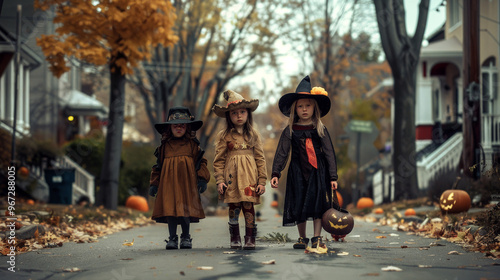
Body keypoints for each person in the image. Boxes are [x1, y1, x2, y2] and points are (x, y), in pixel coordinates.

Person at [270, 76, 339, 249]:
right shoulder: (291, 130)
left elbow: (329, 152)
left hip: (318, 171)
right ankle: (302, 237)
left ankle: (317, 237)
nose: (304, 109)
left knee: (317, 203)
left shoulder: (320, 128)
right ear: (295, 109)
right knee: (299, 202)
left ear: (314, 107)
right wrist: (276, 173)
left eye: (307, 105)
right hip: (297, 171)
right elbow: (282, 152)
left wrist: (333, 176)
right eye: (300, 106)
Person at [212, 89, 267, 250]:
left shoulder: (253, 135)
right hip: (232, 179)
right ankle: (234, 237)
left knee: (248, 207)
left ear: (248, 114)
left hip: (250, 178)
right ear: (229, 116)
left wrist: (262, 181)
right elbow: (219, 160)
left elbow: (260, 158)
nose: (239, 116)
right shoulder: (224, 136)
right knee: (234, 207)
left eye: (242, 112)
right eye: (234, 113)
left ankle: (250, 237)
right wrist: (220, 180)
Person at [149, 107, 210, 250]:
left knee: (185, 210)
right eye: (175, 125)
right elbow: (158, 165)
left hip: (187, 184)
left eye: (182, 125)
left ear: (187, 127)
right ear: (169, 128)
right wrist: (154, 184)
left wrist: (202, 179)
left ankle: (185, 237)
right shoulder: (165, 146)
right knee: (170, 210)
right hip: (168, 184)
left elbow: (201, 162)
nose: (178, 128)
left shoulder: (192, 145)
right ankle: (172, 238)